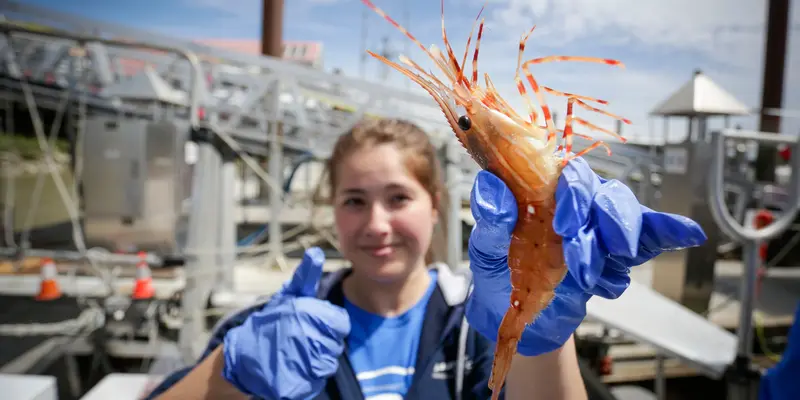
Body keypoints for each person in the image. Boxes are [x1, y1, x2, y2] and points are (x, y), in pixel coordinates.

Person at [144, 118, 706, 400]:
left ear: (436, 205)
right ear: (331, 210)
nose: (377, 224)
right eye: (354, 201)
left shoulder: (479, 326)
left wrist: (544, 335)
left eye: (398, 198)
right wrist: (226, 378)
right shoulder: (270, 327)